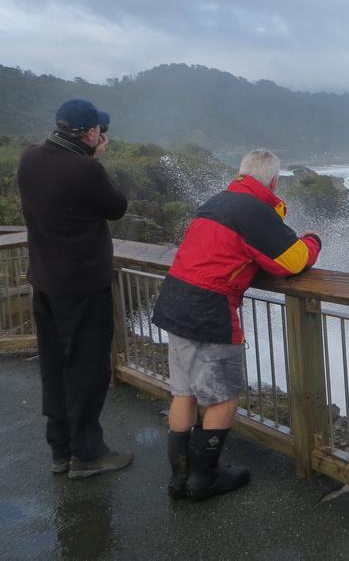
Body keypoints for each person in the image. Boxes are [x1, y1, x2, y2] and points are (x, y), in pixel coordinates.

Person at [151, 149, 321, 500]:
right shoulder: (254, 211)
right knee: (223, 395)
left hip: (175, 299)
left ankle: (179, 478)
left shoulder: (218, 201)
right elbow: (294, 261)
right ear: (273, 181)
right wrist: (313, 239)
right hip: (208, 308)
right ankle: (204, 479)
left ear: (242, 174)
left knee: (183, 391)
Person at [17, 98, 133, 479]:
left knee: (54, 367)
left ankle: (60, 450)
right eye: (99, 131)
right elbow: (116, 207)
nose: (103, 136)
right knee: (86, 369)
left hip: (45, 284)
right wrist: (95, 159)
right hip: (82, 287)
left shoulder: (30, 159)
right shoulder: (86, 169)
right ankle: (87, 454)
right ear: (90, 133)